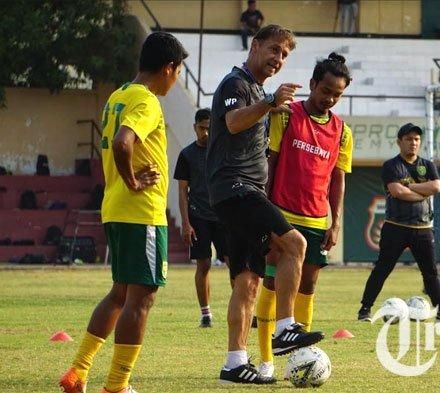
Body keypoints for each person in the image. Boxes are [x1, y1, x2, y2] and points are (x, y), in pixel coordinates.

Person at [59, 32, 187, 393]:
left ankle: (78, 372)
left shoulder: (117, 97)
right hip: (140, 212)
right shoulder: (146, 101)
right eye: (177, 73)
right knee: (141, 298)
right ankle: (117, 385)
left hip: (115, 208)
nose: (175, 82)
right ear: (168, 68)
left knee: (119, 294)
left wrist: (122, 183)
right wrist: (132, 181)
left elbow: (115, 142)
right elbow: (122, 142)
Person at [206, 24, 324, 385]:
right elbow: (233, 121)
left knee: (249, 281)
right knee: (295, 244)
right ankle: (286, 327)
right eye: (273, 50)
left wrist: (270, 106)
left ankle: (234, 363)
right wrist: (270, 103)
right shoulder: (236, 84)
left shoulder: (255, 90)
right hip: (237, 188)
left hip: (239, 191)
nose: (278, 59)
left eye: (285, 55)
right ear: (255, 46)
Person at [255, 52, 354, 378]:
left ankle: (300, 358)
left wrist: (335, 221)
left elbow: (338, 179)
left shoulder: (342, 132)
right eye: (326, 91)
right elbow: (269, 162)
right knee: (272, 283)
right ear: (312, 85)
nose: (330, 99)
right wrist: (265, 212)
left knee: (307, 287)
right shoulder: (287, 115)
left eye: (337, 95)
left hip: (315, 220)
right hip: (281, 215)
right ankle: (267, 361)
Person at [357, 123, 440, 323]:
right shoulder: (391, 165)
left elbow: (436, 186)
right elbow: (397, 192)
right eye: (409, 139)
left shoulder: (427, 165)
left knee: (430, 272)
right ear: (399, 142)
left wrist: (410, 186)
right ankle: (365, 310)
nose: (413, 143)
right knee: (382, 268)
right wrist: (421, 192)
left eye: (417, 139)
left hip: (423, 229)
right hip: (396, 227)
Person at [174, 108, 228, 328]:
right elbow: (182, 193)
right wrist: (186, 223)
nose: (205, 133)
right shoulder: (186, 155)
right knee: (203, 264)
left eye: (209, 128)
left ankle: (243, 307)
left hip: (223, 215)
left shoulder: (223, 151)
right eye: (202, 128)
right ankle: (206, 314)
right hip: (199, 217)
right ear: (195, 127)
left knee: (235, 263)